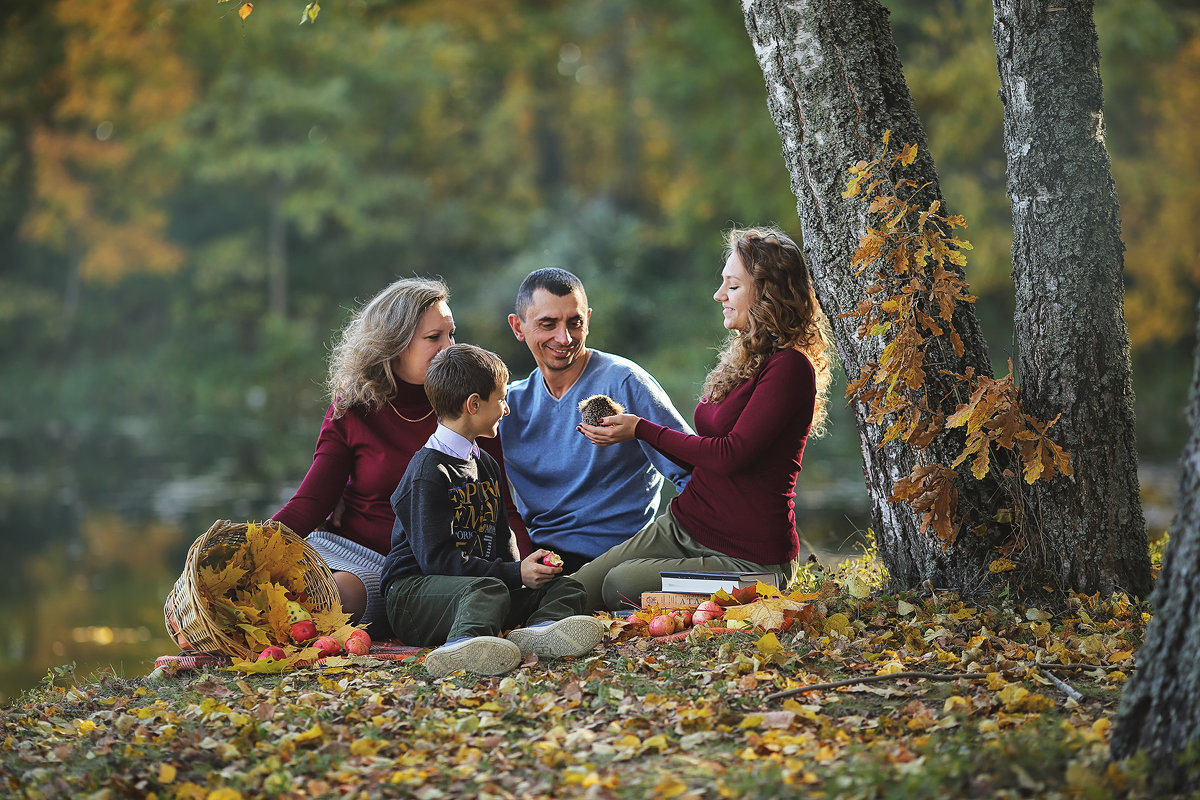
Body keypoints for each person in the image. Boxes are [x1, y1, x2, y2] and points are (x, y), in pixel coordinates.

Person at [572, 227, 833, 612]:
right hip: (685, 525)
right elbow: (705, 453)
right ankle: (497, 640)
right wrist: (630, 427)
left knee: (620, 585)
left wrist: (641, 429)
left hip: (750, 560)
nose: (719, 295)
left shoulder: (790, 368)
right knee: (574, 588)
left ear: (765, 292)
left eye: (732, 286)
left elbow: (732, 454)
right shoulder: (743, 356)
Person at [271, 278, 524, 633]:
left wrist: (528, 572)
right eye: (433, 338)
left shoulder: (471, 404)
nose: (448, 347)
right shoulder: (354, 407)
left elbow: (501, 508)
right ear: (395, 344)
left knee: (341, 595)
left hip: (406, 566)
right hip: (340, 547)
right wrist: (251, 552)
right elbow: (309, 503)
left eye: (451, 334)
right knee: (286, 583)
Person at [380, 344, 603, 677]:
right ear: (473, 404)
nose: (506, 409)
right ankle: (462, 647)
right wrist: (512, 576)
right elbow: (436, 561)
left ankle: (538, 632)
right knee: (490, 590)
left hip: (476, 589)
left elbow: (502, 537)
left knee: (566, 586)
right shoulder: (428, 471)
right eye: (500, 399)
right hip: (415, 596)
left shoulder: (483, 462)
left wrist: (526, 571)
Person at [501, 268, 694, 573]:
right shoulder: (508, 404)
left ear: (587, 320)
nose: (564, 338)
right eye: (548, 324)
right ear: (518, 327)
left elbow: (692, 470)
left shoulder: (625, 382)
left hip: (615, 561)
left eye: (575, 323)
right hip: (537, 561)